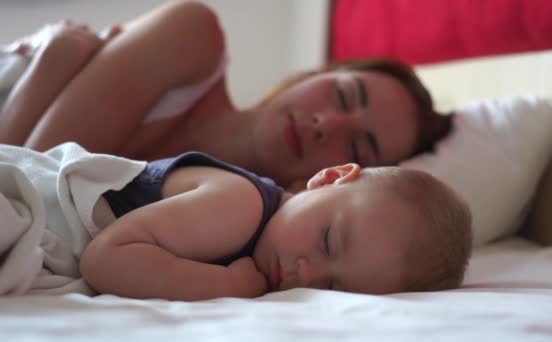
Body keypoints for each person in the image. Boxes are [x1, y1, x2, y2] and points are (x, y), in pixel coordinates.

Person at [0, 0, 452, 190]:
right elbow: (21, 181)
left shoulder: (222, 225)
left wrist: (54, 65)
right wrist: (54, 56)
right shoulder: (193, 36)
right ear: (317, 74)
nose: (326, 124)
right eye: (343, 96)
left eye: (356, 145)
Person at [0, 141, 472, 300]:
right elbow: (107, 259)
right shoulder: (239, 206)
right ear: (328, 178)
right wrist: (228, 286)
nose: (307, 272)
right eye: (328, 240)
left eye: (333, 289)